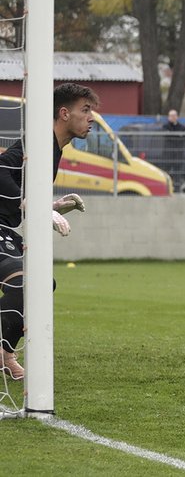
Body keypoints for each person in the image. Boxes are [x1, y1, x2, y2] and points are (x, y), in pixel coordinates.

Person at [1, 83, 97, 380]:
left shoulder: (54, 148)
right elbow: (1, 169)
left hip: (6, 229)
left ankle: (4, 351)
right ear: (64, 113)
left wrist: (50, 205)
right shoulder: (42, 142)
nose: (91, 117)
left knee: (40, 283)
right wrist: (31, 205)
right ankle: (4, 353)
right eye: (86, 110)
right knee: (28, 282)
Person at [161, 108, 185, 176]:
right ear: (168, 117)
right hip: (168, 155)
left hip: (178, 155)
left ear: (177, 116)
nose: (173, 117)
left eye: (174, 115)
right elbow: (167, 136)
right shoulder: (165, 126)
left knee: (178, 173)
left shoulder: (182, 127)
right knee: (166, 173)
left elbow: (184, 138)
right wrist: (177, 135)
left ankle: (177, 186)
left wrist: (171, 134)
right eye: (171, 115)